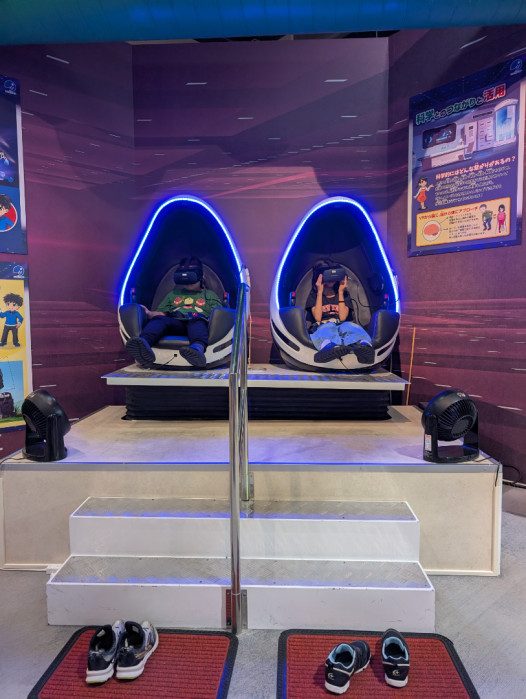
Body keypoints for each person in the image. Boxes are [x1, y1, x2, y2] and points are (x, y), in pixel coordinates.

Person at [125, 256, 222, 369]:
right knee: (160, 320)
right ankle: (143, 344)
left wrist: (211, 321)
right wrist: (148, 312)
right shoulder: (174, 294)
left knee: (197, 322)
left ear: (202, 276)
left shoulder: (209, 295)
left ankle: (196, 350)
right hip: (176, 323)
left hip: (197, 323)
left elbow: (216, 314)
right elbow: (162, 313)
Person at [305, 260, 374, 364]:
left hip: (341, 325)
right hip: (323, 325)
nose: (331, 279)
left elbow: (342, 318)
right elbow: (318, 318)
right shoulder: (314, 296)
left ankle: (364, 345)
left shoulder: (344, 294)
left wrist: (341, 292)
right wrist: (319, 291)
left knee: (351, 326)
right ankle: (329, 347)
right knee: (328, 327)